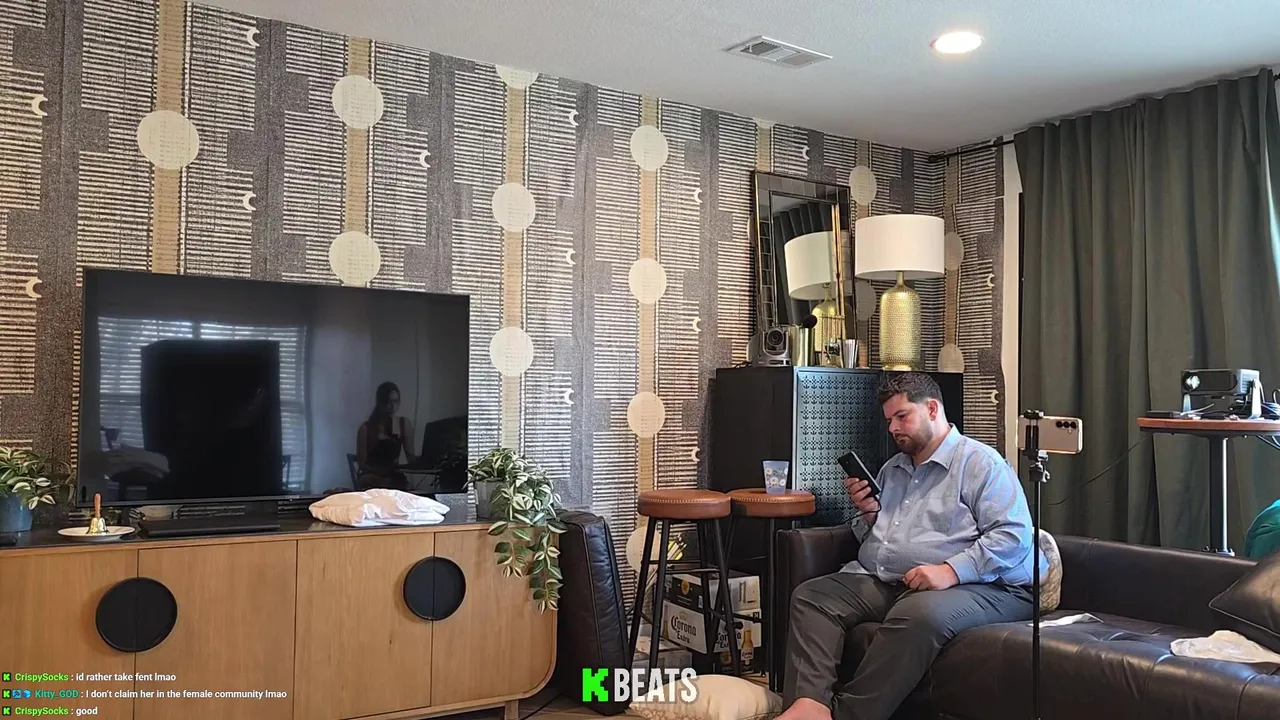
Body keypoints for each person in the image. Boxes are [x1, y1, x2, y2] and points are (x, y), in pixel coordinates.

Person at [778, 372, 1045, 720]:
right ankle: (808, 705)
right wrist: (868, 515)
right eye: (889, 420)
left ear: (932, 409)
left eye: (902, 416)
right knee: (813, 597)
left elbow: (1013, 537)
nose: (893, 428)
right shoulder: (894, 469)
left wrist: (950, 571)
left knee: (918, 614)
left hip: (986, 587)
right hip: (894, 580)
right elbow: (881, 537)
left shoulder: (981, 464)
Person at [356, 381, 417, 490]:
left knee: (405, 487)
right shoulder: (366, 428)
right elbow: (362, 464)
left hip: (393, 475)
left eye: (396, 402)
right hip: (370, 475)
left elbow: (411, 457)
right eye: (388, 402)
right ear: (380, 403)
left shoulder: (403, 424)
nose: (392, 407)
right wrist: (380, 473)